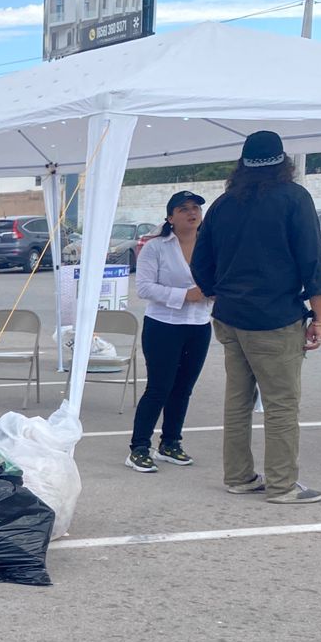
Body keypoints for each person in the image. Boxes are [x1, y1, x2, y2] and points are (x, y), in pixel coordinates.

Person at [191, 130, 321, 504]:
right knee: (281, 404)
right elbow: (311, 261)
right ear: (282, 161)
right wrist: (319, 317)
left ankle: (238, 477)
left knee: (237, 400)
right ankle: (282, 485)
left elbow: (200, 262)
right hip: (276, 316)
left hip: (230, 316)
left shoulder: (222, 204)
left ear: (243, 164)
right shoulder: (294, 199)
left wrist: (219, 289)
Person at [126, 190, 213, 473]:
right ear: (170, 217)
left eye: (196, 209)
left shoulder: (210, 246)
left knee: (183, 388)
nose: (192, 213)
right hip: (164, 325)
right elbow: (145, 288)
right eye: (184, 209)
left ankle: (170, 442)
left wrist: (214, 293)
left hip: (199, 324)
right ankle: (139, 447)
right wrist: (183, 295)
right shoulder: (156, 247)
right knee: (159, 387)